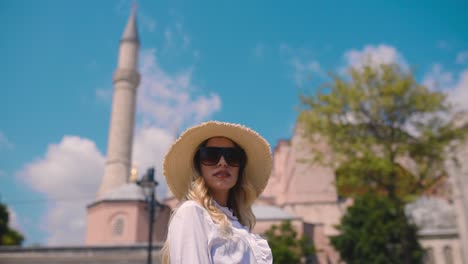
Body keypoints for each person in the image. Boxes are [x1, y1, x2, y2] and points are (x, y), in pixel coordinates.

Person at [162, 121, 273, 263]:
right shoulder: (193, 212)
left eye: (232, 156)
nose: (222, 162)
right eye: (211, 155)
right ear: (198, 165)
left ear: (240, 167)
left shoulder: (237, 224)